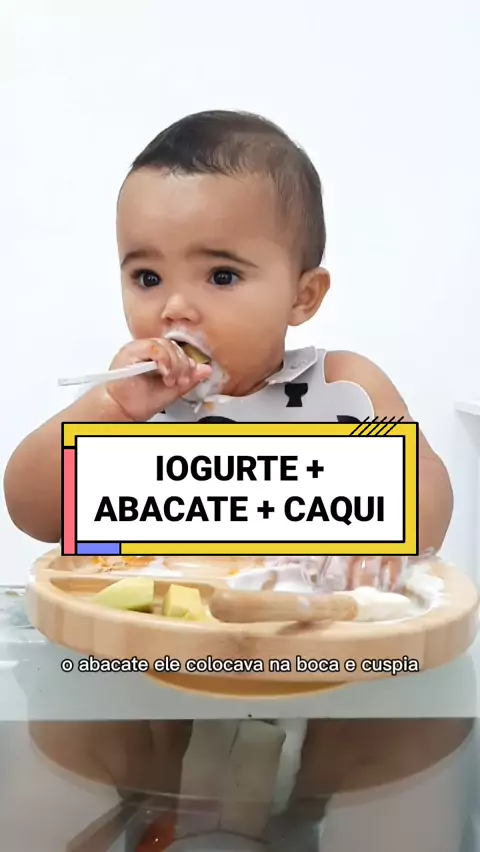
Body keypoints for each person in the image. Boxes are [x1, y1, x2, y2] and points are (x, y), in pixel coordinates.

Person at [4, 111, 471, 851]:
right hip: (157, 685)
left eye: (221, 275)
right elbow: (30, 506)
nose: (174, 306)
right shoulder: (132, 403)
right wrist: (106, 411)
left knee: (413, 737)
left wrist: (389, 493)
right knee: (69, 731)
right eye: (146, 276)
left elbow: (429, 508)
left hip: (328, 681)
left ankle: (333, 820)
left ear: (303, 296)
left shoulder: (345, 388)